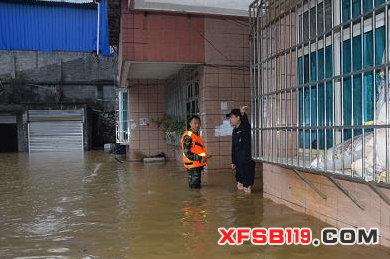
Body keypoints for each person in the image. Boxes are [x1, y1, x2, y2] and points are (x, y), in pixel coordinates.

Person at [226, 106, 255, 193]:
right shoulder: (235, 130)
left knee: (247, 187)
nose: (230, 119)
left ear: (238, 118)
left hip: (247, 163)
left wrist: (242, 114)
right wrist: (233, 161)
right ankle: (240, 205)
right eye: (230, 117)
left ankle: (248, 204)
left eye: (232, 117)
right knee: (239, 184)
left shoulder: (245, 128)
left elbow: (245, 123)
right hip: (238, 163)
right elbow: (233, 147)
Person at [181, 115, 208, 189]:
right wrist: (200, 158)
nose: (197, 125)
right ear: (190, 123)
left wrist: (204, 156)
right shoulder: (188, 136)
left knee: (196, 187)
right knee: (194, 188)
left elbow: (196, 149)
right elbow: (187, 152)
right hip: (192, 166)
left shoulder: (195, 135)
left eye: (199, 123)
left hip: (196, 165)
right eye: (195, 123)